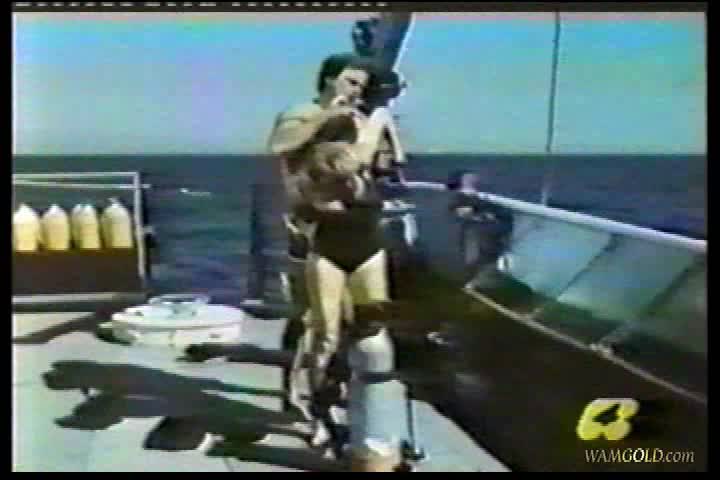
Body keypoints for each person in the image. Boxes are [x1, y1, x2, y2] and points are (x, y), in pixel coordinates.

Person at [268, 53, 392, 448]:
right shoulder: (302, 113)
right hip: (309, 230)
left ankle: (331, 396)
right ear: (328, 80)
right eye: (350, 82)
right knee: (311, 323)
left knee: (358, 323)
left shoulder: (357, 120)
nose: (356, 91)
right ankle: (298, 397)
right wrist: (327, 117)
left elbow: (372, 166)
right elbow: (279, 146)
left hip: (352, 228)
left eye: (361, 86)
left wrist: (378, 131)